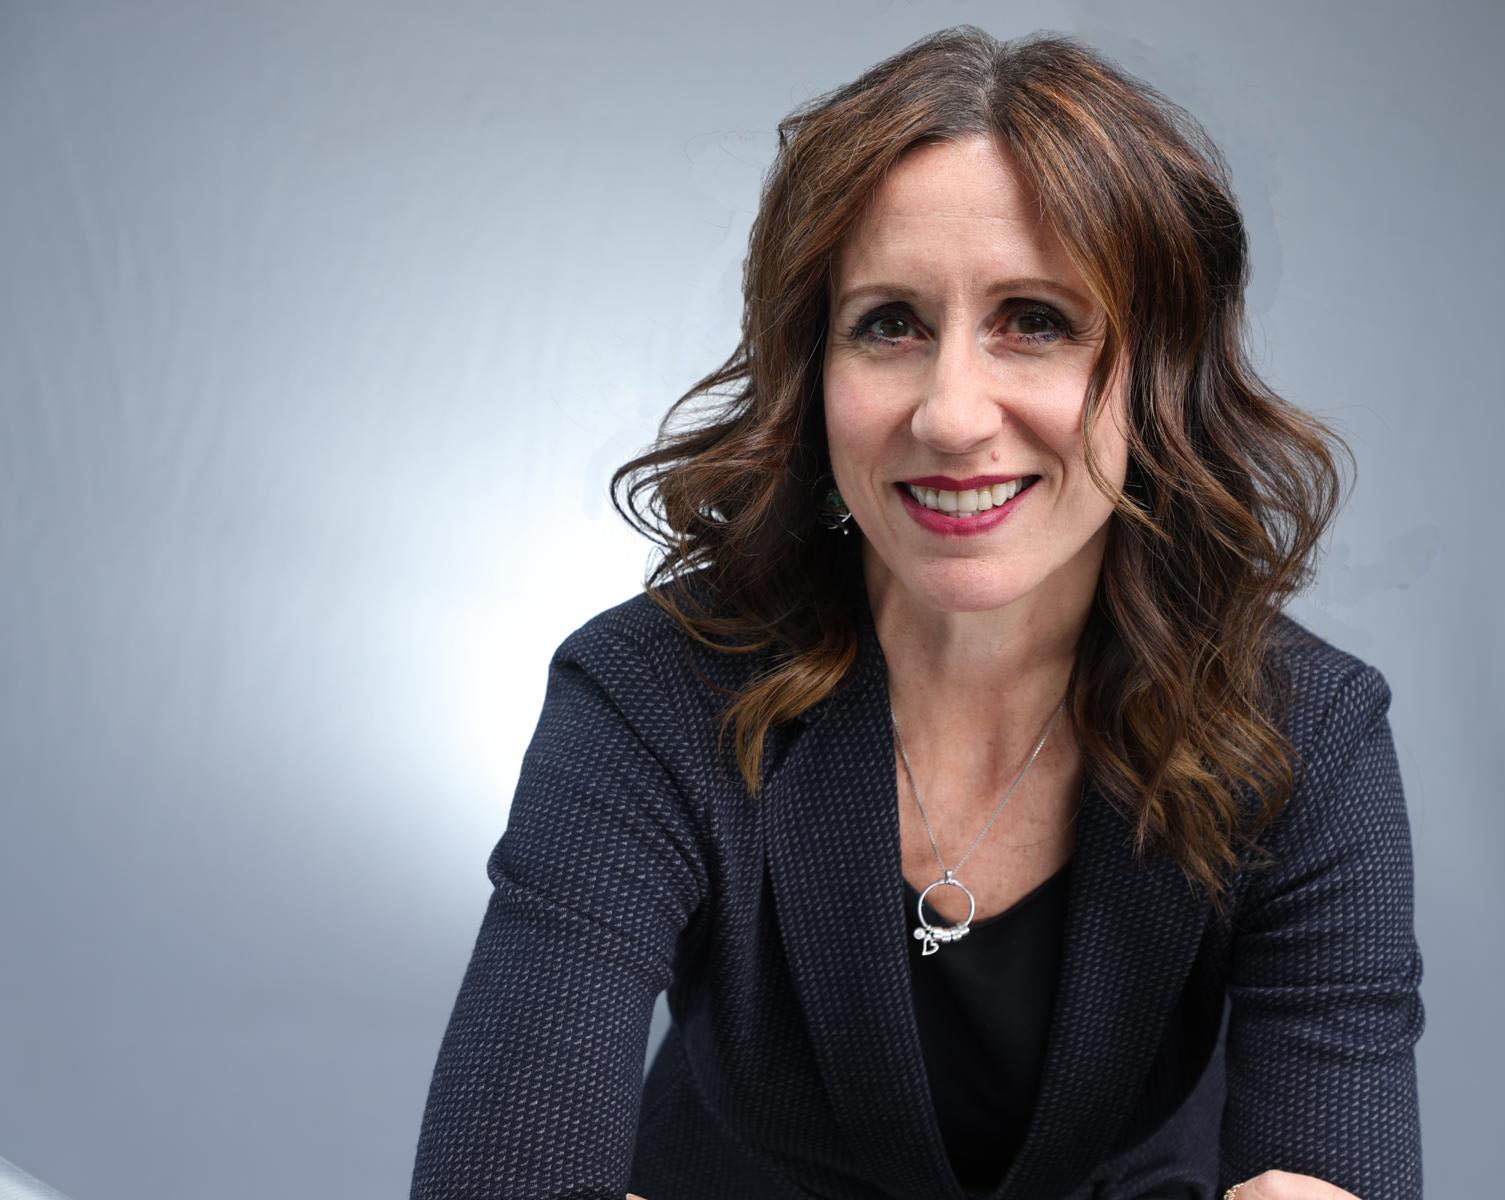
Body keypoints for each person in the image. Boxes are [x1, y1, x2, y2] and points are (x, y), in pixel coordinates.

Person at [408, 25, 1424, 1200]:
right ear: (813, 372)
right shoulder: (650, 695)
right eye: (889, 323)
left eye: (1035, 319)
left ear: (1161, 374)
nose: (951, 415)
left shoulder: (1305, 734)